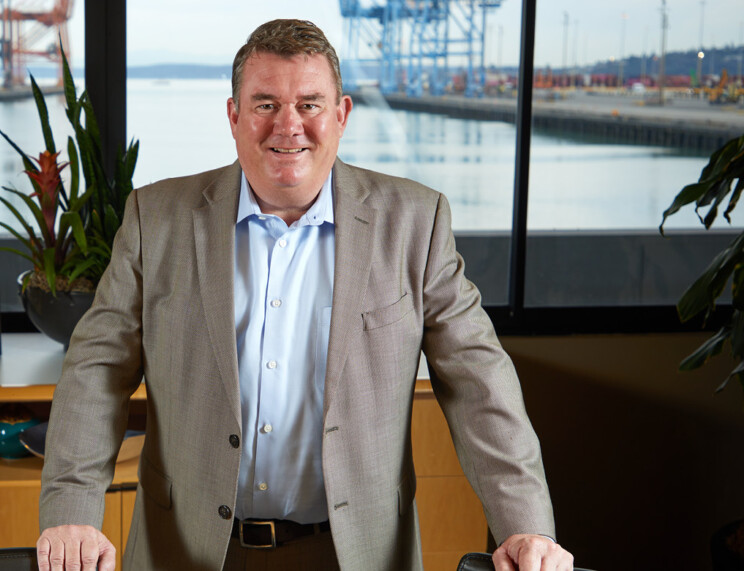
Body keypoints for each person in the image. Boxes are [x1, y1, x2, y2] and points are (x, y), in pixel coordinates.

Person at [36, 18, 575, 571]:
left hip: (354, 553)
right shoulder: (157, 218)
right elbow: (96, 368)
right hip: (188, 547)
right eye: (265, 104)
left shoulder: (415, 222)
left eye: (310, 105)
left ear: (340, 115)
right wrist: (72, 508)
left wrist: (524, 525)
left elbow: (479, 380)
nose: (288, 126)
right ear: (234, 116)